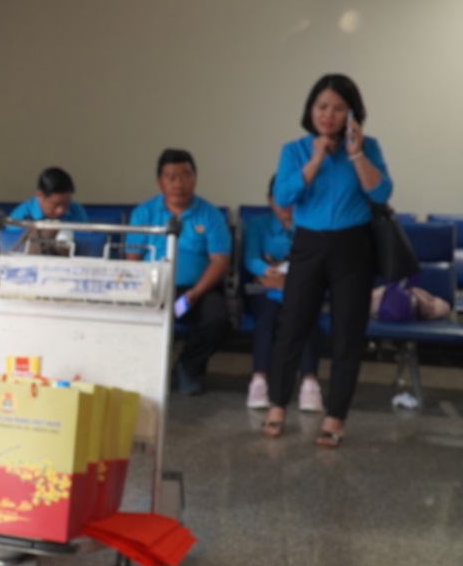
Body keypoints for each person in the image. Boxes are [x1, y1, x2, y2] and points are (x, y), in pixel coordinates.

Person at [261, 74, 392, 448]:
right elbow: (284, 196)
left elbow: (381, 191)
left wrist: (356, 154)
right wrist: (316, 158)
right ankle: (277, 406)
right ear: (310, 111)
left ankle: (335, 417)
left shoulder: (369, 147)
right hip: (308, 245)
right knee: (292, 327)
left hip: (353, 247)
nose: (328, 115)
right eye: (322, 107)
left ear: (352, 113)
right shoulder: (295, 149)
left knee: (347, 333)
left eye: (338, 108)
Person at [125, 149, 232, 395]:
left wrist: (194, 293)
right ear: (159, 181)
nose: (179, 183)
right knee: (134, 316)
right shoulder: (144, 213)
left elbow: (219, 261)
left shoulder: (210, 214)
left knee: (218, 319)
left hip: (198, 289)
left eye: (185, 176)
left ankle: (187, 367)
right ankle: (144, 372)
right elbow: (133, 260)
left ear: (195, 177)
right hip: (155, 285)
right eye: (171, 177)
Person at [242, 175, 324, 411]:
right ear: (270, 200)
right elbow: (251, 259)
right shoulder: (258, 224)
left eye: (292, 199)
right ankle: (259, 380)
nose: (286, 205)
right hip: (264, 289)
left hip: (299, 288)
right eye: (280, 199)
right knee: (267, 316)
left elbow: (313, 261)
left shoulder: (310, 224)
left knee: (305, 315)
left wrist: (287, 272)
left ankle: (309, 382)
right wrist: (267, 269)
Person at [5, 167, 88, 254]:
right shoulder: (19, 218)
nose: (61, 210)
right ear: (39, 195)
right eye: (56, 205)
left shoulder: (77, 211)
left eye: (66, 203)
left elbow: (87, 244)